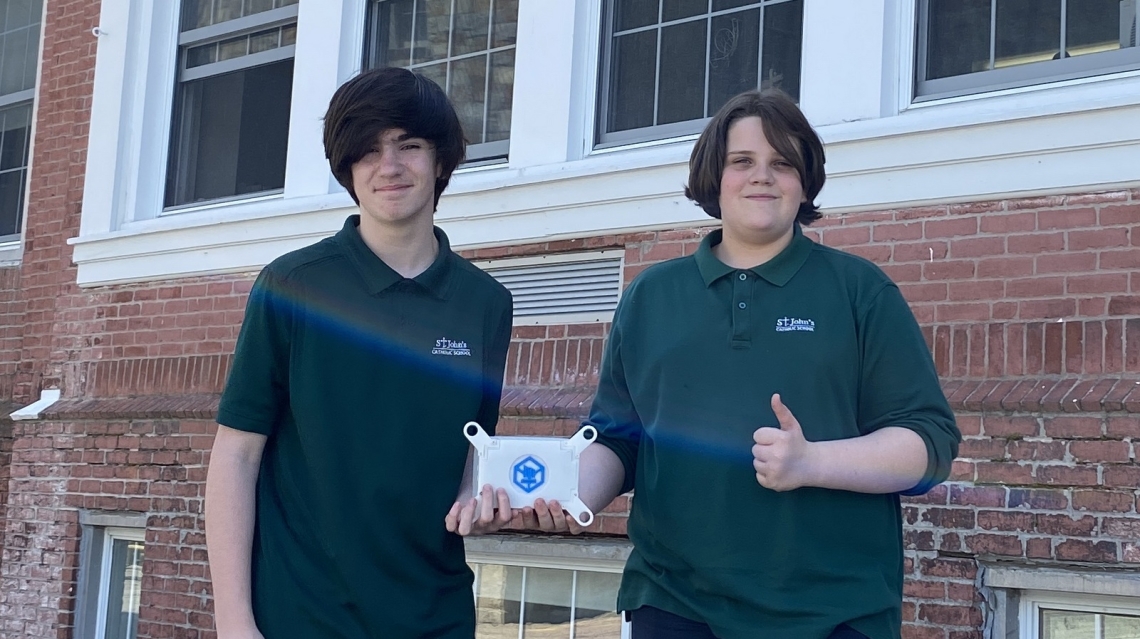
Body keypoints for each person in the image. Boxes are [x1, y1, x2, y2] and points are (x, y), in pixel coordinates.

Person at [524, 90, 961, 639]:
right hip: (676, 605)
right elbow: (619, 439)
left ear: (805, 183)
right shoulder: (652, 296)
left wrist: (811, 463)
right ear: (715, 175)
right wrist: (569, 494)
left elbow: (930, 446)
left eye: (783, 163)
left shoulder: (859, 291)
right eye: (742, 161)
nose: (763, 177)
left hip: (835, 613)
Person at [204, 68, 514, 639]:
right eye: (368, 151)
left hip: (434, 615)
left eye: (409, 145)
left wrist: (480, 491)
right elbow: (237, 456)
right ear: (346, 168)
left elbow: (475, 447)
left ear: (441, 160)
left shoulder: (486, 304)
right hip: (303, 615)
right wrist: (233, 621)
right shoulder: (292, 285)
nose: (389, 166)